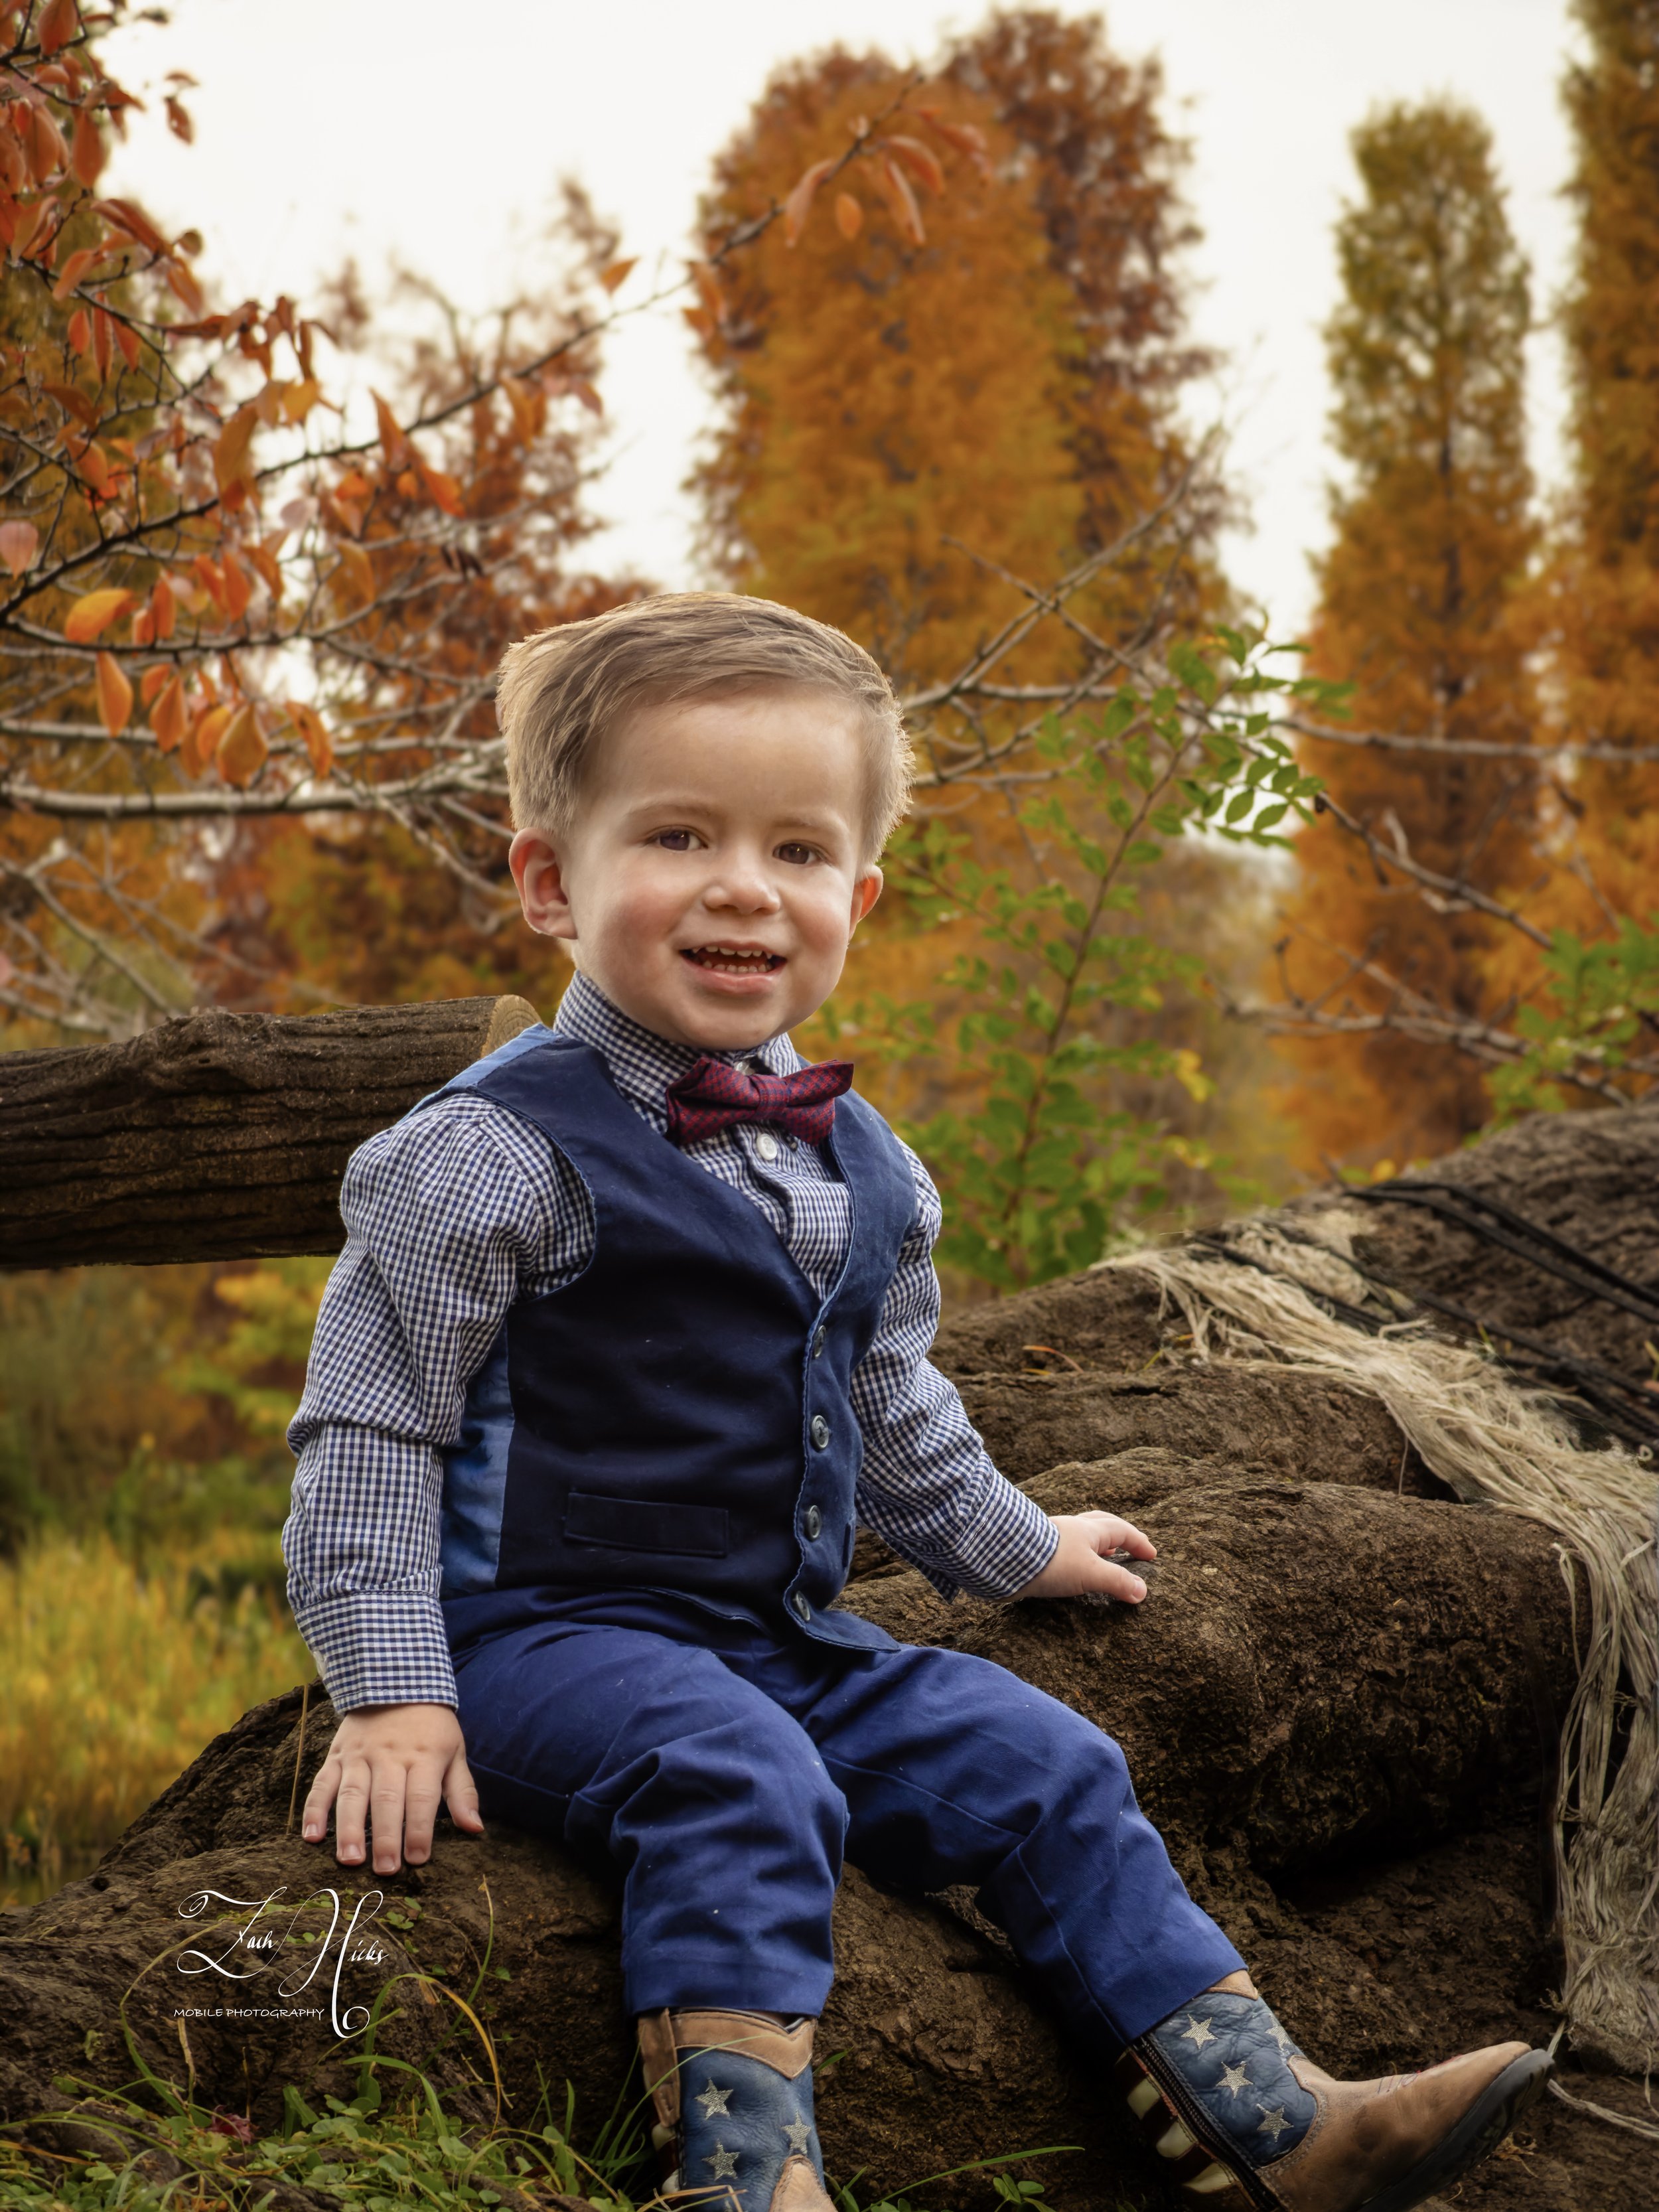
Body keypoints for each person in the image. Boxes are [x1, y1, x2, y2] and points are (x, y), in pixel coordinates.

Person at [283, 593, 1549, 2212]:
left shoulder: (862, 1164)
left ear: (856, 894)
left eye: (798, 851)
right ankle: (746, 2177)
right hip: (534, 1637)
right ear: (550, 877)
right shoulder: (484, 1153)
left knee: (1044, 1756)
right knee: (741, 1776)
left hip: (778, 1633)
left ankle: (1271, 2123)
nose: (744, 885)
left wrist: (1016, 1545)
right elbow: (368, 1426)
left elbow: (884, 1401)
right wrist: (390, 1687)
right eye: (677, 834)